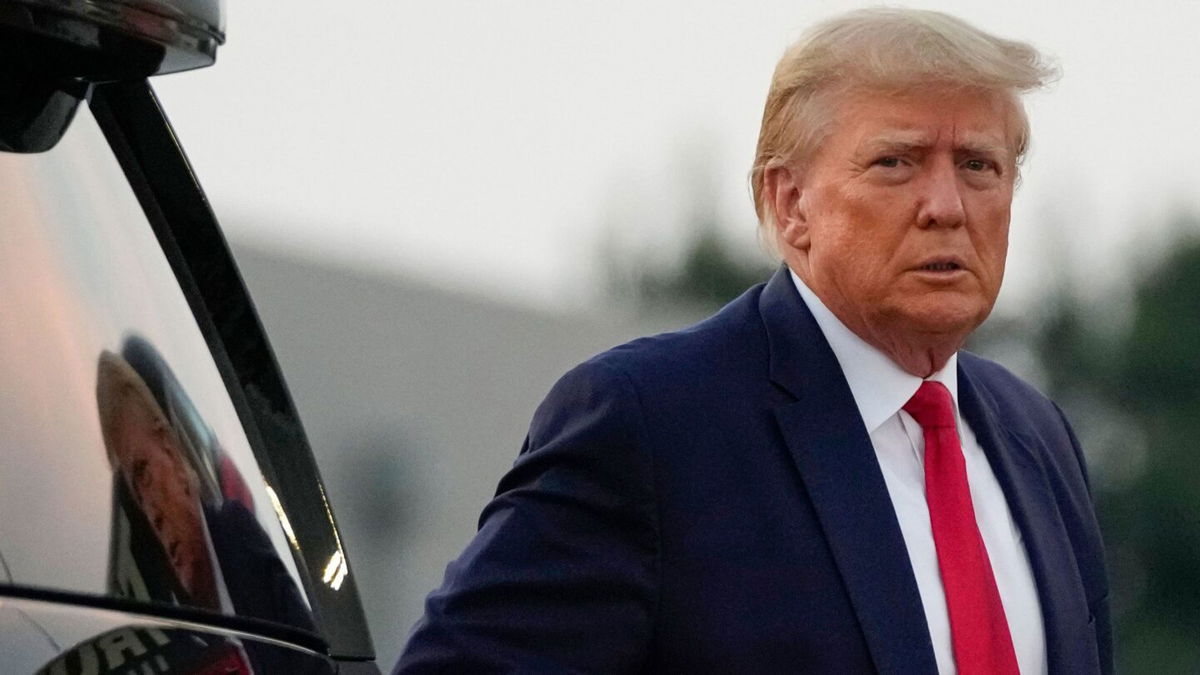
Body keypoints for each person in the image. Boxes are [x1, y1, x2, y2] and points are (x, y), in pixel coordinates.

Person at [396, 8, 1111, 674]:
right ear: (790, 201)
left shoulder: (1037, 435)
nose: (947, 207)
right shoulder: (652, 423)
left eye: (979, 166)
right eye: (897, 161)